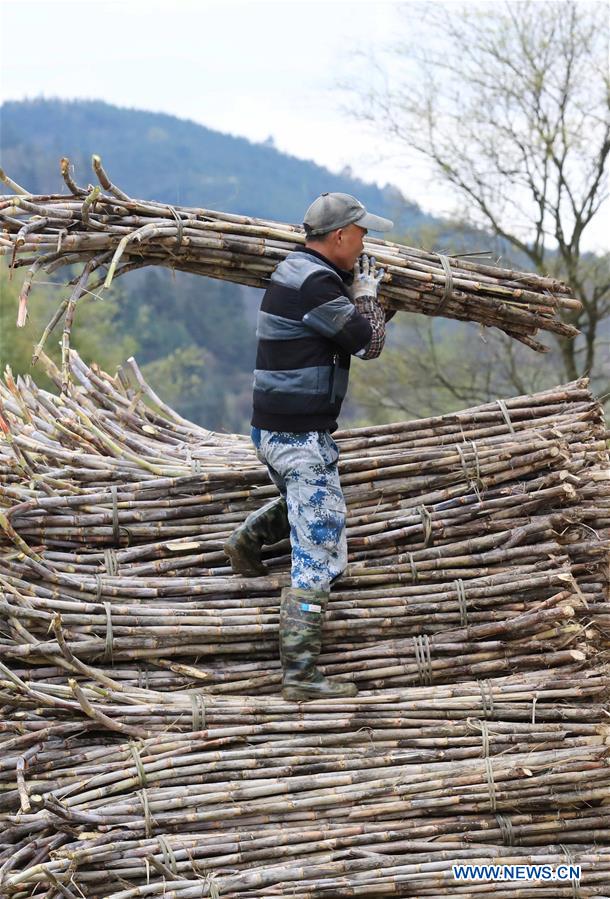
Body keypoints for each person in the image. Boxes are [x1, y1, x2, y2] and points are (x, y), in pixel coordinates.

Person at [224, 192, 394, 700]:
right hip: (295, 436)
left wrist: (363, 304)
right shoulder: (317, 283)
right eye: (362, 233)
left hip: (281, 430)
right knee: (320, 539)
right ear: (340, 236)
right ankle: (300, 675)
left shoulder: (298, 272)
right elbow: (368, 343)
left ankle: (247, 541)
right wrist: (366, 298)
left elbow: (347, 334)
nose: (366, 242)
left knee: (312, 502)